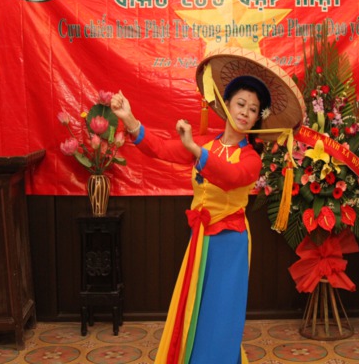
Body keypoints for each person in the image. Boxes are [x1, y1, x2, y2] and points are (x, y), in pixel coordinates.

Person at [111, 49, 304, 364]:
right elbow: (159, 149)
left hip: (230, 243)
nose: (245, 112)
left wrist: (193, 149)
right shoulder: (206, 144)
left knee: (222, 314)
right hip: (200, 240)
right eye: (240, 104)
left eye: (253, 109)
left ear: (258, 118)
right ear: (226, 104)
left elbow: (230, 177)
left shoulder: (251, 159)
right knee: (196, 310)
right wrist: (128, 118)